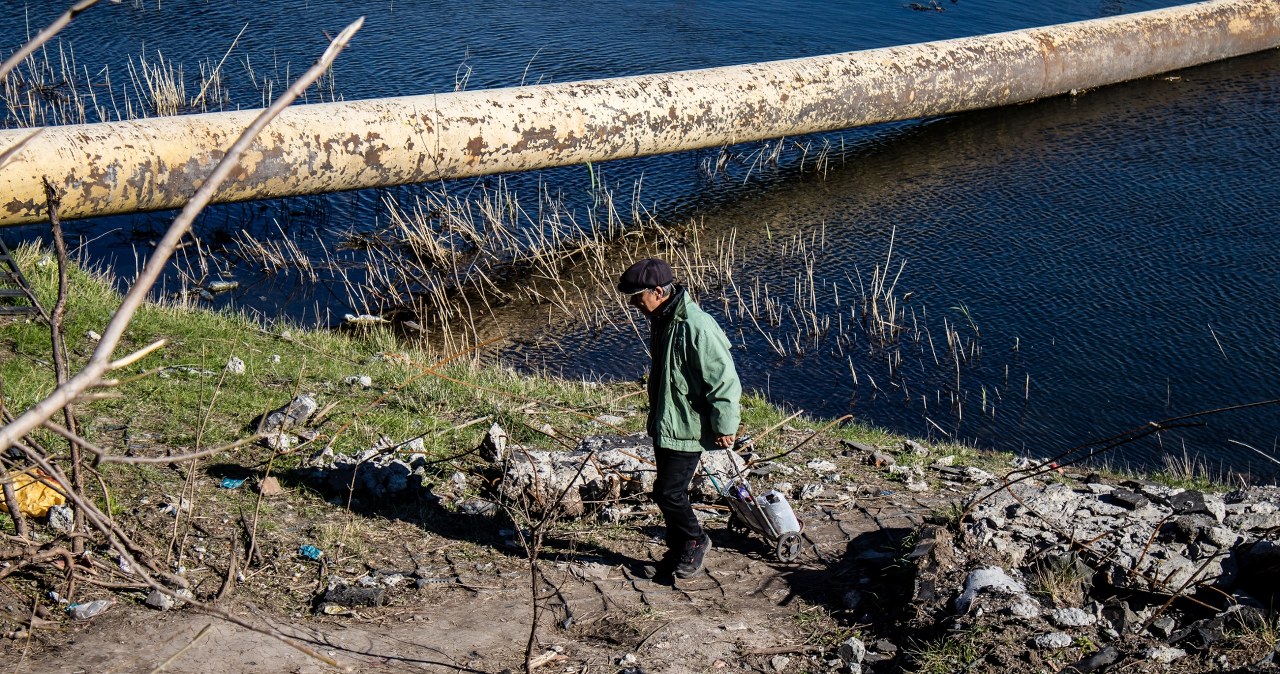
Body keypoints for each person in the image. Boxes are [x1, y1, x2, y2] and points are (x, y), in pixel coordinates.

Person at [618, 258, 741, 579]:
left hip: (688, 425)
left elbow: (724, 379)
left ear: (658, 291)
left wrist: (725, 424)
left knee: (668, 492)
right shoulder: (664, 319)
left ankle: (695, 540)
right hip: (668, 423)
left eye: (637, 297)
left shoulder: (695, 325)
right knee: (665, 489)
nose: (634, 304)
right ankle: (677, 552)